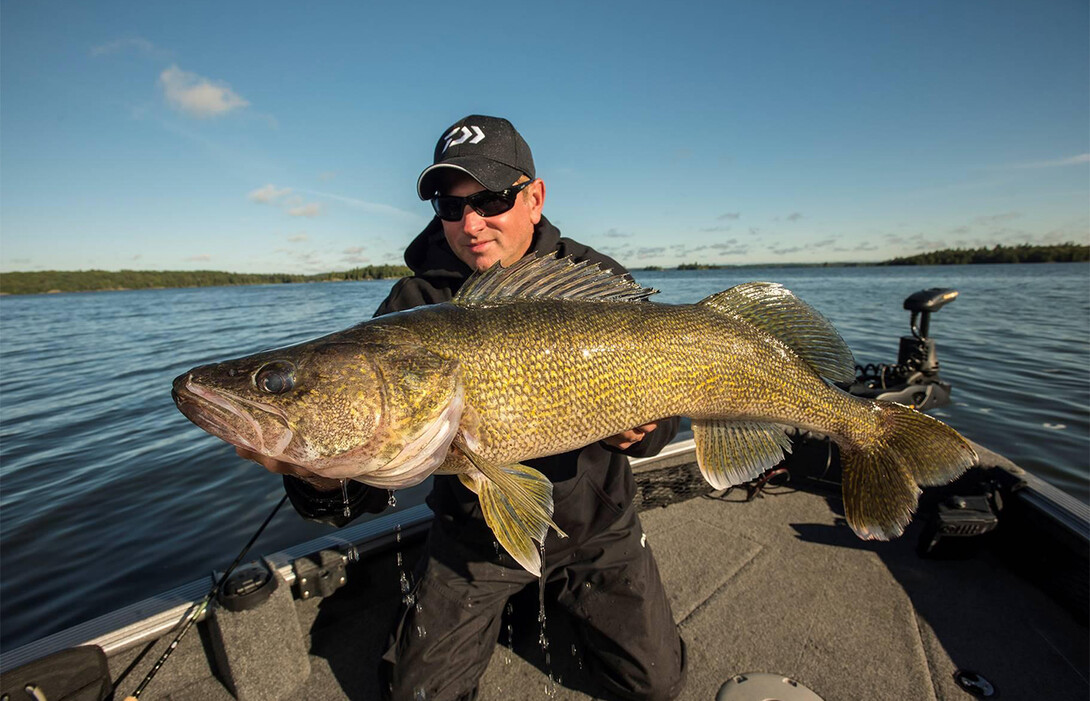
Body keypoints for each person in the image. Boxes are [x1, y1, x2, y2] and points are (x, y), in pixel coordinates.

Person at [239, 115, 686, 701]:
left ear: (535, 197)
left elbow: (675, 393)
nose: (470, 224)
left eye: (492, 199)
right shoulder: (411, 307)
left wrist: (647, 432)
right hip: (472, 540)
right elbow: (363, 495)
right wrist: (319, 479)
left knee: (659, 686)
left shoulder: (594, 281)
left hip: (598, 527)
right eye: (450, 208)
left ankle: (552, 599)